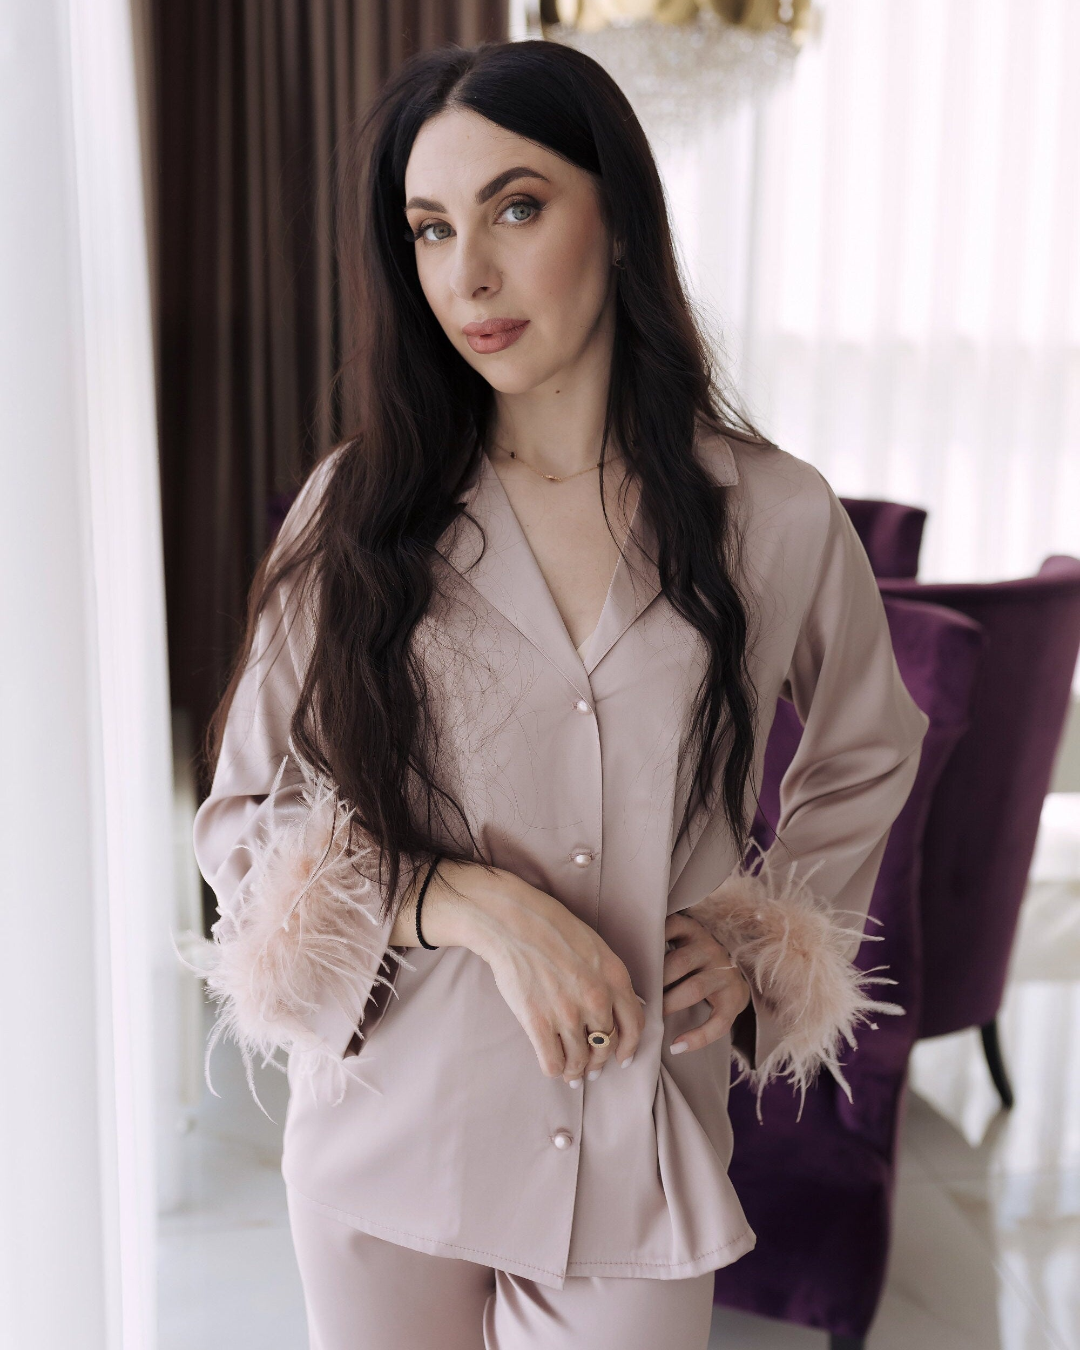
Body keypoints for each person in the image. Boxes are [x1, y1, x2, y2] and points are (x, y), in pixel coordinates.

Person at [191, 38, 929, 1350]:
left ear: (620, 219)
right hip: (388, 1138)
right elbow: (243, 813)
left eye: (516, 207)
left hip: (634, 1140)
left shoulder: (773, 512)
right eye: (430, 229)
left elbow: (870, 743)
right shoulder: (357, 509)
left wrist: (769, 940)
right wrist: (461, 898)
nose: (467, 273)